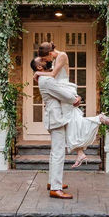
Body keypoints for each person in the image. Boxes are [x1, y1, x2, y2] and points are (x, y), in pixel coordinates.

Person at [32, 41, 109, 168]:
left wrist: (37, 73)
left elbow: (53, 75)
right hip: (60, 88)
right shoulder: (55, 59)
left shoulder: (62, 55)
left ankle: (99, 118)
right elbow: (53, 74)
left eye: (44, 58)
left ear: (49, 53)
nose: (44, 61)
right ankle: (80, 152)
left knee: (70, 119)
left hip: (64, 88)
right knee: (71, 120)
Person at [30, 56, 81, 199]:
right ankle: (56, 188)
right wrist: (76, 99)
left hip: (55, 117)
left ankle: (52, 182)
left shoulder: (44, 77)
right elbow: (65, 95)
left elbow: (57, 72)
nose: (47, 60)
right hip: (56, 119)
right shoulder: (46, 80)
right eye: (42, 60)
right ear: (39, 67)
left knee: (55, 152)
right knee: (59, 153)